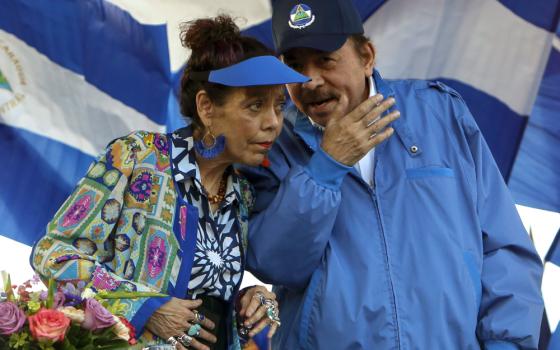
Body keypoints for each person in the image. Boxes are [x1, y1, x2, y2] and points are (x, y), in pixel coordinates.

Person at [240, 1, 545, 349]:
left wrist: (507, 345)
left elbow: (504, 249)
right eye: (295, 66)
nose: (310, 81)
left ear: (367, 57)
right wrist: (326, 166)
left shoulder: (439, 112)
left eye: (325, 59)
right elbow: (278, 265)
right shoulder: (273, 145)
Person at [30, 15, 308, 350]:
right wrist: (144, 306)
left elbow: (203, 297)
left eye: (279, 106)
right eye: (255, 106)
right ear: (206, 107)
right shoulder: (136, 157)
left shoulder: (243, 194)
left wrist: (246, 302)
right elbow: (53, 253)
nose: (274, 123)